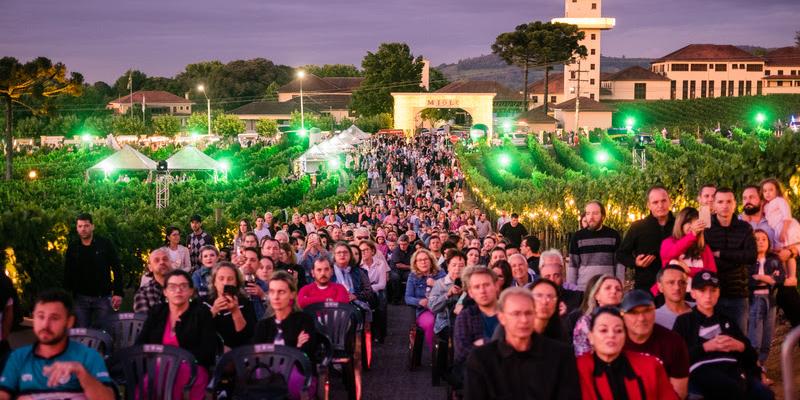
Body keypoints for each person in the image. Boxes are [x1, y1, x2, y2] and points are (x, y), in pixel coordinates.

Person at [464, 287, 580, 400]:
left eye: (528, 313)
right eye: (516, 314)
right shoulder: (481, 359)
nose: (524, 320)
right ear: (502, 317)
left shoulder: (561, 355)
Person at [673, 271, 773, 400]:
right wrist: (705, 347)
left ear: (718, 293)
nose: (708, 296)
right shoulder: (684, 321)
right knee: (730, 387)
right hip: (702, 370)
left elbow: (750, 355)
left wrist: (740, 346)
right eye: (702, 291)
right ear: (693, 293)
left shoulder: (727, 320)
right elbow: (676, 357)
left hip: (732, 368)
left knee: (764, 394)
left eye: (713, 290)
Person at [0, 289, 114, 400]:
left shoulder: (89, 356)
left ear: (69, 322)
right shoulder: (18, 358)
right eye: (40, 316)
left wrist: (82, 373)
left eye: (54, 318)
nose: (45, 324)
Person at [136, 270, 216, 400]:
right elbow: (141, 344)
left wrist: (179, 361)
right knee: (149, 378)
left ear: (191, 291)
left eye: (183, 286)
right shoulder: (157, 312)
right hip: (158, 367)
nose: (178, 290)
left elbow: (208, 352)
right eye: (172, 287)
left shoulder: (201, 314)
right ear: (165, 292)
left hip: (192, 367)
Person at [577, 306, 678, 400]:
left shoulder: (651, 366)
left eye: (618, 330)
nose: (611, 335)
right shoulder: (577, 369)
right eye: (603, 330)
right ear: (591, 337)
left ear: (625, 336)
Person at [251, 271, 318, 399]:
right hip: (267, 372)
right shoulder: (263, 325)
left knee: (291, 380)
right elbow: (257, 355)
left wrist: (275, 352)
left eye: (281, 292)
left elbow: (306, 351)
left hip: (299, 371)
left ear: (292, 294)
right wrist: (294, 346)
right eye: (272, 291)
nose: (275, 297)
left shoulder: (304, 320)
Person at [703, 188, 756, 333]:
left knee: (739, 339)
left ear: (734, 204)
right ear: (714, 205)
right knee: (714, 338)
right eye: (720, 202)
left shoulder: (745, 228)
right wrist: (738, 258)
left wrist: (721, 254)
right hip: (713, 294)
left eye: (728, 201)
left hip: (738, 294)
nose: (725, 205)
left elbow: (751, 257)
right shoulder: (706, 229)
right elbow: (706, 260)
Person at [621, 290, 690, 399]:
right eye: (633, 313)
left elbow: (679, 393)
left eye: (647, 310)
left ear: (655, 311)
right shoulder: (614, 341)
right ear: (622, 315)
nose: (641, 318)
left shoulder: (673, 341)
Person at [63, 213, 123, 328]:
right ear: (76, 228)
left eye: (86, 226)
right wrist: (66, 295)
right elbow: (67, 272)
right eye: (80, 226)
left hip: (103, 297)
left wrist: (118, 292)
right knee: (82, 333)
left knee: (105, 333)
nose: (83, 229)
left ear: (92, 226)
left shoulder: (105, 244)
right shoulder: (73, 247)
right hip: (80, 297)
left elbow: (116, 267)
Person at [618, 186, 676, 291]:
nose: (660, 205)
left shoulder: (679, 225)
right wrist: (635, 262)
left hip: (675, 286)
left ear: (670, 201)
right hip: (646, 287)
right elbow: (621, 254)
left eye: (663, 201)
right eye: (655, 202)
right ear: (649, 205)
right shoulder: (638, 227)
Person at [748, 229, 784, 373]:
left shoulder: (774, 259)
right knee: (755, 337)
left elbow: (781, 279)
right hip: (754, 300)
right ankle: (753, 367)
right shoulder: (748, 259)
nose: (761, 242)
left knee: (767, 337)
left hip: (770, 301)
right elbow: (747, 280)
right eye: (757, 239)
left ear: (768, 242)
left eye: (764, 239)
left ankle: (761, 365)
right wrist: (769, 279)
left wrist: (760, 277)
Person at [658, 206, 717, 295]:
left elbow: (711, 274)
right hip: (673, 296)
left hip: (697, 297)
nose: (693, 226)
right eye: (689, 222)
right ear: (680, 223)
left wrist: (688, 270)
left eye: (696, 222)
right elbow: (670, 254)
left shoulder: (704, 248)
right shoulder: (668, 242)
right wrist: (692, 235)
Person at [568, 201, 623, 290]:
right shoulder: (577, 237)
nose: (591, 217)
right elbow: (573, 265)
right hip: (584, 289)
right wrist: (571, 289)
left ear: (603, 216)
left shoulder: (613, 235)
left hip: (607, 289)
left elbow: (619, 264)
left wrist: (618, 286)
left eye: (595, 213)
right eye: (588, 213)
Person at [202, 262, 257, 349]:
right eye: (221, 278)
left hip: (237, 352)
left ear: (236, 283)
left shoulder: (245, 303)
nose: (225, 283)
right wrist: (213, 311)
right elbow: (199, 332)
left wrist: (235, 311)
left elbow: (247, 336)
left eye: (230, 279)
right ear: (214, 282)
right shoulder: (204, 302)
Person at [453, 266, 499, 366]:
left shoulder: (510, 312)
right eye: (477, 287)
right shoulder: (465, 316)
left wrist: (482, 344)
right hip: (477, 372)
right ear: (470, 293)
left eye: (486, 285)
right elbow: (461, 353)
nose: (482, 290)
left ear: (496, 286)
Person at [405, 249, 446, 351]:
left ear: (431, 260)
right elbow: (408, 298)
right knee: (431, 323)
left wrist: (435, 284)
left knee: (447, 324)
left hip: (441, 308)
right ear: (415, 263)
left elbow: (448, 289)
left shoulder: (440, 273)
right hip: (425, 310)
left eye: (425, 259)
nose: (423, 262)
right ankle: (434, 354)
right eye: (420, 260)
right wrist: (419, 302)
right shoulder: (412, 276)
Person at [572, 275, 623, 356]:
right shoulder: (586, 322)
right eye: (608, 288)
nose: (614, 291)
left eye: (618, 289)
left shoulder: (628, 320)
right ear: (596, 295)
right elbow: (581, 353)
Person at [428, 252, 465, 338]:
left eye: (461, 265)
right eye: (454, 265)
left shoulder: (470, 283)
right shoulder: (440, 283)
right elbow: (432, 307)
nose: (457, 268)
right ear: (448, 266)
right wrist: (448, 294)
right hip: (445, 324)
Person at [360, 240, 389, 343]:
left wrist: (370, 289)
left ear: (372, 251)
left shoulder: (380, 263)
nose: (363, 252)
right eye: (361, 250)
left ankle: (380, 333)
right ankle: (365, 333)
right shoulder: (359, 265)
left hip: (376, 288)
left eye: (366, 250)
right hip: (363, 290)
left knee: (381, 302)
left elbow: (382, 284)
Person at [538, 249, 583, 314]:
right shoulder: (531, 296)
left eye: (556, 266)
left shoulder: (578, 297)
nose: (552, 279)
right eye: (549, 266)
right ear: (540, 270)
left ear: (562, 270)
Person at [133, 248, 172, 314]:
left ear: (171, 263)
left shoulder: (182, 288)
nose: (162, 262)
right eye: (157, 260)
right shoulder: (143, 293)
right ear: (150, 267)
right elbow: (146, 322)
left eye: (165, 259)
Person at [655, 265, 693, 329]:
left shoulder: (701, 308)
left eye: (682, 282)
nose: (677, 287)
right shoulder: (653, 317)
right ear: (660, 287)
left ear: (686, 285)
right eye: (671, 282)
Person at [388, 235, 413, 304]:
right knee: (396, 277)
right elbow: (398, 265)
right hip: (395, 270)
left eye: (404, 244)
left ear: (408, 243)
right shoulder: (396, 250)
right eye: (401, 244)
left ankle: (409, 297)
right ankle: (396, 298)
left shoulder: (411, 249)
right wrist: (411, 267)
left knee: (411, 276)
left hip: (406, 271)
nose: (402, 246)